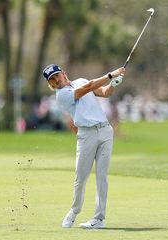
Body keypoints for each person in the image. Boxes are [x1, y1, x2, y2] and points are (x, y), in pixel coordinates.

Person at [43, 64, 125, 229]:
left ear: (63, 73)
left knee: (102, 177)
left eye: (57, 75)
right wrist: (110, 75)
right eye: (52, 79)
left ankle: (99, 219)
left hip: (105, 131)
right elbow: (87, 88)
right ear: (50, 84)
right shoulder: (62, 95)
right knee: (81, 178)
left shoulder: (80, 80)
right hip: (86, 135)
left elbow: (103, 92)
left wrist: (113, 84)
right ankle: (74, 211)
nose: (56, 80)